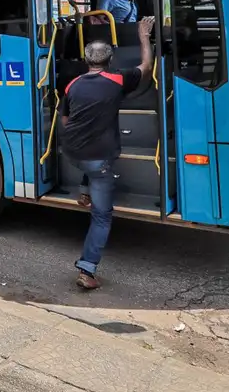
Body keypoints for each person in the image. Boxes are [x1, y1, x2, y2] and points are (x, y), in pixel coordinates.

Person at [60, 16, 155, 290]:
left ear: (86, 60)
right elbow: (146, 67)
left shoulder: (73, 84)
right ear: (110, 59)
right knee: (102, 216)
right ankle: (87, 270)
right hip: (97, 158)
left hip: (72, 151)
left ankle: (84, 190)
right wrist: (143, 35)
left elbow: (66, 121)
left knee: (96, 157)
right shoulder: (118, 79)